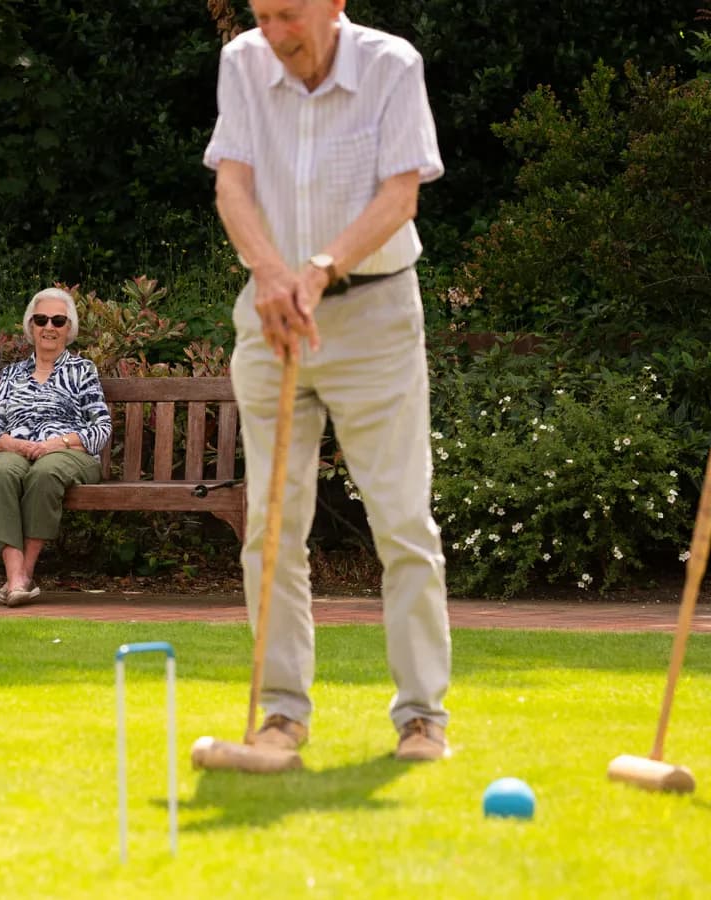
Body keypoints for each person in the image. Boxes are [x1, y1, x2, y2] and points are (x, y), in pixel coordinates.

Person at [204, 0, 452, 761]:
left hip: (372, 310)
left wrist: (317, 268)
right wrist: (275, 276)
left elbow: (399, 196)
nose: (275, 36)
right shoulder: (243, 61)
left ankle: (421, 719)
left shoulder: (391, 65)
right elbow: (233, 188)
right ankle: (281, 717)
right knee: (272, 525)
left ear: (333, 3)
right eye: (262, 15)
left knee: (402, 520)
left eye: (289, 15)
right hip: (272, 312)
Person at [0, 288, 111, 607]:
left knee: (45, 473)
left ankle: (24, 572)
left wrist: (58, 443)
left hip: (71, 454)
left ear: (69, 328)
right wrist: (9, 442)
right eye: (41, 319)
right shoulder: (11, 374)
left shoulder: (82, 371)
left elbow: (101, 427)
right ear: (31, 327)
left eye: (58, 320)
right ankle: (15, 578)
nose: (49, 326)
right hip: (19, 450)